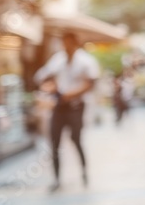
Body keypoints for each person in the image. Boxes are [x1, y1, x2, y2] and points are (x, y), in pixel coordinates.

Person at [34, 32, 100, 191]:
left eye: (69, 43)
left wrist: (71, 94)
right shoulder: (58, 60)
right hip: (59, 106)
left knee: (75, 139)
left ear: (75, 43)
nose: (66, 47)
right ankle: (57, 179)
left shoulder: (85, 61)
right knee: (54, 141)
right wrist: (50, 87)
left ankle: (84, 172)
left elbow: (91, 83)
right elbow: (41, 76)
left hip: (76, 106)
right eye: (64, 43)